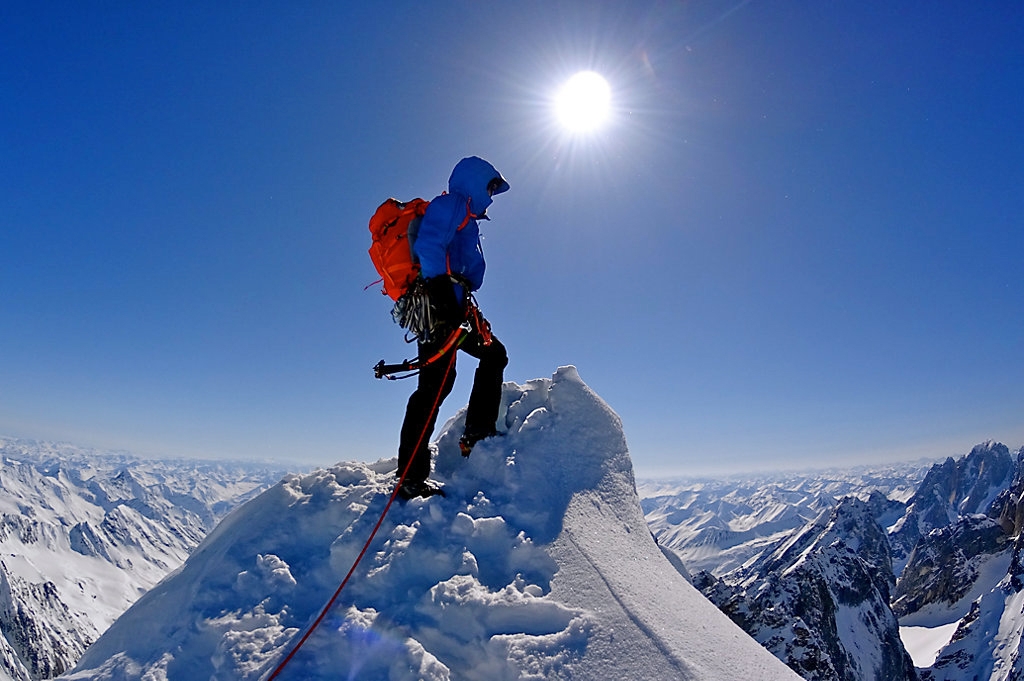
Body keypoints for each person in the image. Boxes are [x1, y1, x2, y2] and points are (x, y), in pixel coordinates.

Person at [395, 156, 510, 500]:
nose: (492, 196)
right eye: (490, 188)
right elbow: (429, 244)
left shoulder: (467, 217)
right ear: (475, 183)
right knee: (434, 387)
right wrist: (440, 290)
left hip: (455, 305)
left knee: (493, 355)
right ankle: (410, 477)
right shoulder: (452, 205)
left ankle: (477, 432)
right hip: (438, 307)